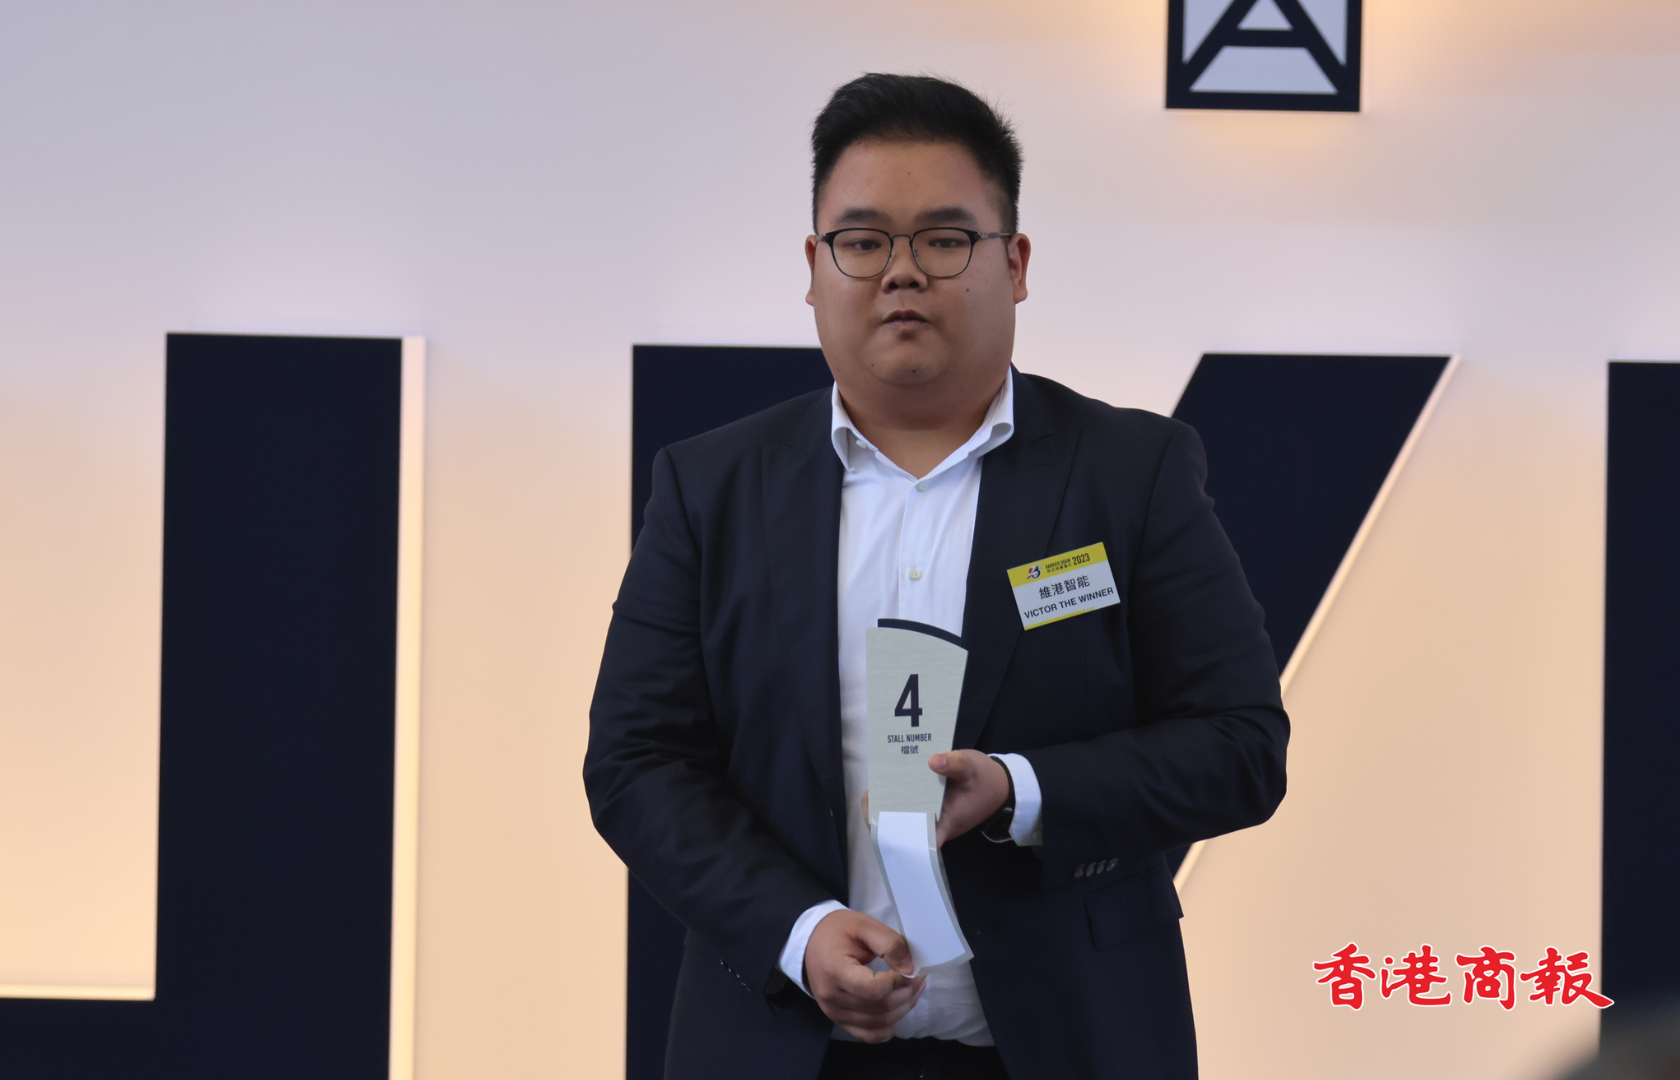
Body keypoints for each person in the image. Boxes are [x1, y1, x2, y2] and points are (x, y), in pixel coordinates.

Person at [585, 73, 1288, 1080]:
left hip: (1067, 1044)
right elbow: (637, 761)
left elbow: (1239, 746)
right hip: (782, 1047)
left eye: (945, 239)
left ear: (1016, 262)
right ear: (814, 267)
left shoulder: (1131, 475)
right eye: (863, 241)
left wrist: (1020, 789)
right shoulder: (711, 488)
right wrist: (799, 930)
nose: (901, 272)